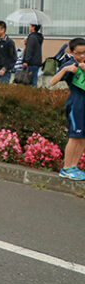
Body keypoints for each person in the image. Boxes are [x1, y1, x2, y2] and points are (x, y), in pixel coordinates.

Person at [49, 37, 85, 180]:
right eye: (79, 53)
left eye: (84, 52)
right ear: (71, 52)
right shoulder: (70, 64)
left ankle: (74, 166)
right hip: (76, 105)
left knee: (83, 138)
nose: (82, 56)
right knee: (75, 137)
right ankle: (66, 168)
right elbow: (52, 81)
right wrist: (65, 69)